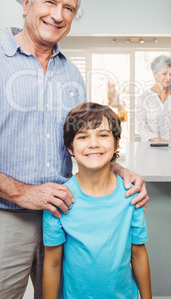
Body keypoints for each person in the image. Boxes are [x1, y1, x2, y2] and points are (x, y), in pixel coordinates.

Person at [0, 0, 148, 299]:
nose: (58, 14)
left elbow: (83, 142)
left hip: (67, 215)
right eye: (50, 2)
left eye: (68, 8)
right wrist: (23, 193)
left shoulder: (72, 75)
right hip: (6, 217)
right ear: (26, 4)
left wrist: (121, 171)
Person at [43, 102, 152, 299]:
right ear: (70, 147)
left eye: (103, 135)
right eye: (83, 137)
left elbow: (138, 253)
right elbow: (53, 263)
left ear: (116, 143)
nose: (94, 143)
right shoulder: (59, 200)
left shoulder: (131, 194)